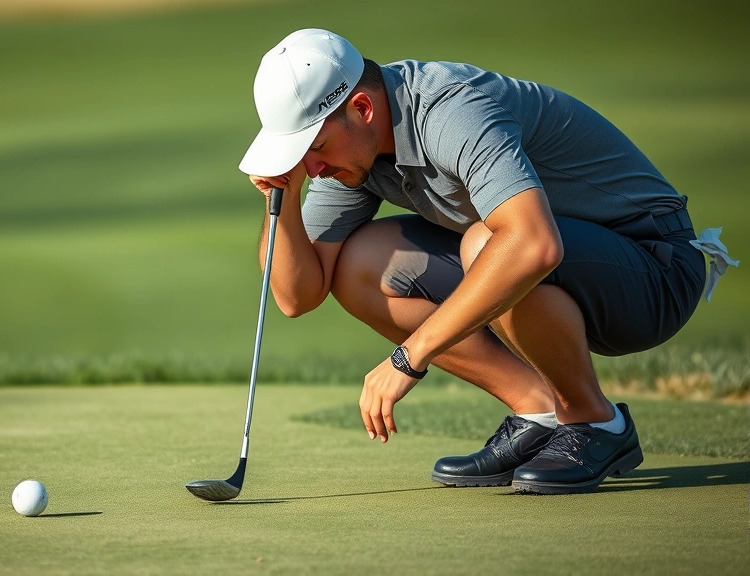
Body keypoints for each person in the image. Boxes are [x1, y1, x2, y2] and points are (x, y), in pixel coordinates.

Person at [238, 29, 735, 494]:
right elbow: (295, 296)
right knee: (359, 266)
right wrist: (282, 194)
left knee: (492, 244)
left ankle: (594, 420)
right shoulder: (354, 154)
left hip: (654, 268)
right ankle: (539, 412)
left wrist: (410, 356)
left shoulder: (450, 110)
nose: (313, 165)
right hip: (567, 267)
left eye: (315, 148)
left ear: (362, 108)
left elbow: (534, 244)